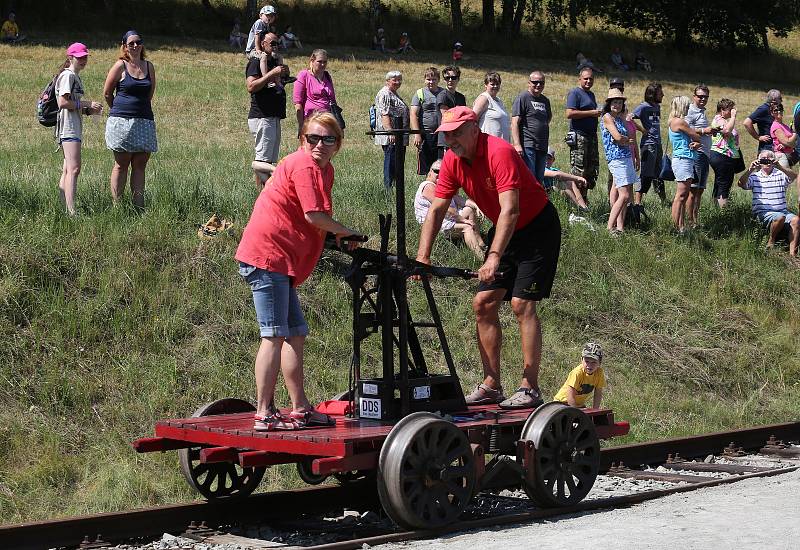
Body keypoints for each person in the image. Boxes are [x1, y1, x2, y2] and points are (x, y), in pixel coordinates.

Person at [416, 107, 562, 410]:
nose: (450, 140)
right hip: (508, 230)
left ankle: (530, 388)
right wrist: (423, 257)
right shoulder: (454, 160)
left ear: (473, 128)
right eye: (446, 134)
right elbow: (437, 208)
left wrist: (493, 255)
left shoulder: (500, 152)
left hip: (537, 228)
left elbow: (511, 209)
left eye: (456, 132)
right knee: (482, 303)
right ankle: (491, 385)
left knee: (521, 304)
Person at [237, 112, 361, 431]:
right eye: (313, 138)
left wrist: (337, 234)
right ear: (302, 140)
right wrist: (345, 232)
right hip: (268, 256)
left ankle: (300, 409)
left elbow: (316, 219)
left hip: (281, 260)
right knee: (275, 334)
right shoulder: (305, 164)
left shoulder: (324, 169)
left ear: (338, 144)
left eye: (328, 139)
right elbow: (314, 215)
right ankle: (264, 413)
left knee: (295, 333)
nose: (320, 145)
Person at [103, 30, 158, 210]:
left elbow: (150, 94)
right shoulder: (120, 65)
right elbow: (107, 93)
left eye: (138, 42)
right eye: (131, 43)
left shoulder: (149, 66)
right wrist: (119, 110)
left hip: (144, 121)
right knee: (122, 163)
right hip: (122, 122)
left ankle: (138, 206)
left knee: (140, 164)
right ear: (125, 46)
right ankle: (117, 206)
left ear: (142, 45)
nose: (135, 46)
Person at [54, 43, 103, 216]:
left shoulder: (74, 76)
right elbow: (63, 103)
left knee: (68, 169)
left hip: (71, 126)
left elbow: (73, 104)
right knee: (74, 169)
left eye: (85, 56)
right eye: (79, 57)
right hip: (69, 128)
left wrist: (90, 110)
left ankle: (63, 208)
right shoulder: (68, 76)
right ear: (70, 58)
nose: (83, 60)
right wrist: (87, 103)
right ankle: (71, 211)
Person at [414, 159, 486, 258]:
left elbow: (460, 200)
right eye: (436, 171)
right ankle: (481, 257)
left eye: (442, 171)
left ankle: (481, 244)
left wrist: (477, 206)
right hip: (435, 224)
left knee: (469, 209)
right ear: (430, 171)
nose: (439, 174)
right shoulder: (427, 186)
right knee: (467, 227)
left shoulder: (440, 187)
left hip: (446, 218)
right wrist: (464, 221)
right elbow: (446, 208)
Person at [737, 150, 799, 256]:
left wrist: (779, 166)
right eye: (763, 159)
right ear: (759, 161)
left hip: (782, 211)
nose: (766, 161)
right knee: (779, 217)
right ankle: (771, 240)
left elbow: (794, 176)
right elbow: (741, 184)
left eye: (769, 158)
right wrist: (750, 169)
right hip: (762, 212)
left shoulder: (780, 174)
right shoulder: (755, 176)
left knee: (796, 220)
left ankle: (792, 254)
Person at [246, 31, 288, 184]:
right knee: (262, 161)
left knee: (268, 162)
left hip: (273, 116)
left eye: (278, 43)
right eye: (273, 43)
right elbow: (251, 86)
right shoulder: (256, 62)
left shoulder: (274, 61)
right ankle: (267, 191)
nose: (276, 46)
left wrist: (283, 77)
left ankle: (266, 193)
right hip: (262, 116)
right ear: (263, 44)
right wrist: (272, 74)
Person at [668, 95, 710, 233]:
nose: (688, 108)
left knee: (684, 194)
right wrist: (697, 140)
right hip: (682, 159)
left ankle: (681, 225)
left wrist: (696, 141)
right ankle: (676, 226)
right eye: (686, 106)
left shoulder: (675, 121)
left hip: (685, 158)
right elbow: (696, 135)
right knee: (681, 195)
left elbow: (695, 138)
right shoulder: (679, 122)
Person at [601, 88, 639, 234]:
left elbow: (630, 136)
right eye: (614, 102)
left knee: (624, 193)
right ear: (609, 104)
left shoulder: (619, 118)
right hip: (616, 158)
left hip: (626, 157)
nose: (617, 105)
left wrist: (624, 120)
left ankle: (620, 227)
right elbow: (617, 137)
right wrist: (624, 140)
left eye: (620, 102)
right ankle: (610, 228)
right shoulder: (607, 117)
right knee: (625, 195)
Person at [565, 67, 602, 201]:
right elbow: (569, 113)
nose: (588, 81)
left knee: (590, 170)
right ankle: (575, 202)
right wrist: (592, 113)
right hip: (579, 136)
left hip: (591, 136)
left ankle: (584, 200)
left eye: (591, 79)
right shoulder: (575, 93)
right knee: (578, 170)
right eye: (585, 78)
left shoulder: (591, 94)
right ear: (579, 79)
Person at [511, 70, 552, 185]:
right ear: (529, 83)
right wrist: (517, 144)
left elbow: (547, 119)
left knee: (538, 181)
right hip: (528, 146)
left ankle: (537, 203)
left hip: (542, 146)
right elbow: (514, 122)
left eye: (541, 82)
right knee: (529, 179)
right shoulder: (523, 98)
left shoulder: (545, 101)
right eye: (535, 82)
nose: (538, 85)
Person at [632, 82, 666, 207]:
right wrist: (641, 129)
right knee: (646, 174)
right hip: (648, 145)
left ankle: (664, 202)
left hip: (658, 144)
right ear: (653, 94)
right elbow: (628, 118)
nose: (663, 94)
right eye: (660, 92)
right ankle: (637, 203)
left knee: (659, 174)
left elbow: (654, 125)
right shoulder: (643, 107)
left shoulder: (656, 106)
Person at [374, 70, 409, 188]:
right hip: (392, 137)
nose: (398, 82)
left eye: (399, 79)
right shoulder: (385, 93)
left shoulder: (393, 93)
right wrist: (390, 132)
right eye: (395, 80)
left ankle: (396, 189)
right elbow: (385, 114)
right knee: (391, 164)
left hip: (399, 136)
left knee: (397, 164)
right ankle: (388, 191)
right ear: (387, 81)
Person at [685, 84, 714, 229]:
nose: (703, 99)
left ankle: (695, 219)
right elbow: (685, 129)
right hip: (697, 153)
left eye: (705, 97)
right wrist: (704, 130)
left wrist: (709, 131)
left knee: (700, 190)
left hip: (704, 153)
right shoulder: (690, 110)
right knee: (694, 189)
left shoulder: (702, 111)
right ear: (694, 96)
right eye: (700, 96)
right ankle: (690, 221)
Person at [708, 98, 742, 208]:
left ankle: (715, 208)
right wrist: (733, 117)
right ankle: (724, 214)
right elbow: (726, 131)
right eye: (730, 109)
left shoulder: (724, 120)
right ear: (722, 110)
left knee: (720, 183)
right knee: (724, 184)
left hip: (724, 156)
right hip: (722, 155)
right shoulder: (719, 119)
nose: (733, 110)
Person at [293, 49, 336, 132]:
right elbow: (298, 103)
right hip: (311, 121)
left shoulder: (327, 76)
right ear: (312, 60)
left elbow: (333, 100)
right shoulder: (303, 75)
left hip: (327, 121)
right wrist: (301, 124)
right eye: (319, 61)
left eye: (325, 62)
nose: (323, 64)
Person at [410, 67, 443, 175]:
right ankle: (425, 189)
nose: (431, 82)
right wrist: (417, 134)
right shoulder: (420, 93)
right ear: (424, 80)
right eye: (428, 79)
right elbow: (413, 114)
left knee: (440, 166)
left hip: (441, 135)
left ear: (438, 80)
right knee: (425, 167)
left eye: (434, 79)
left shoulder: (444, 93)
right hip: (425, 135)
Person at [553, 342, 606, 408]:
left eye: (594, 362)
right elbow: (569, 394)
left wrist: (595, 410)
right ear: (581, 360)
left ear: (599, 363)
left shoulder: (599, 373)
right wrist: (576, 412)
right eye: (587, 361)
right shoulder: (577, 373)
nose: (589, 365)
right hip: (561, 403)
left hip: (577, 405)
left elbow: (598, 393)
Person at [436, 66, 467, 158]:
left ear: (458, 79)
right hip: (446, 139)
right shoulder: (442, 96)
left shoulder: (461, 97)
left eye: (453, 78)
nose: (450, 80)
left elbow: (465, 117)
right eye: (447, 78)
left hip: (459, 139)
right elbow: (447, 117)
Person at [472, 71, 510, 142]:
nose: (495, 86)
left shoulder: (499, 100)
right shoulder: (484, 98)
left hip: (502, 144)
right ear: (485, 85)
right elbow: (473, 120)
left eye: (497, 84)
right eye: (492, 84)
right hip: (488, 143)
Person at [769, 103, 797, 170]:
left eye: (780, 109)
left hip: (789, 155)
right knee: (785, 178)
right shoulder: (776, 126)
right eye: (776, 110)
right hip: (782, 157)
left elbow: (793, 143)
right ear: (772, 113)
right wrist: (795, 133)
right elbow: (788, 142)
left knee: (789, 178)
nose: (779, 111)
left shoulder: (785, 126)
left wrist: (788, 144)